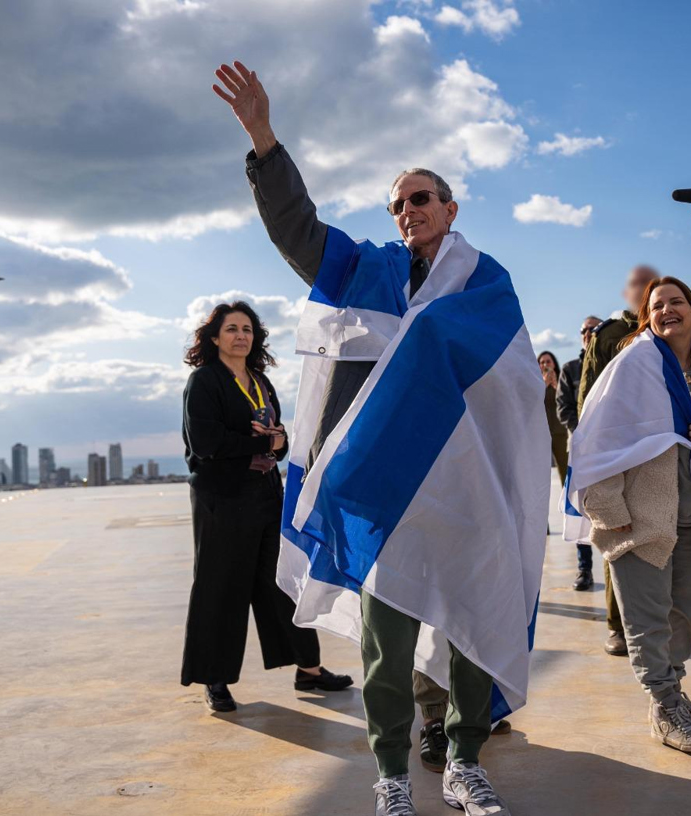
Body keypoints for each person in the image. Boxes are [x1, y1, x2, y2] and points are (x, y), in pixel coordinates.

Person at [214, 61, 546, 816]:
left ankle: (463, 760)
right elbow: (297, 228)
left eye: (421, 198)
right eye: (397, 203)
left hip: (466, 491)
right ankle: (392, 775)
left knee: (469, 628)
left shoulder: (484, 281)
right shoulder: (367, 270)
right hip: (383, 494)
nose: (408, 211)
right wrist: (265, 142)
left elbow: (512, 381)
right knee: (385, 649)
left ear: (451, 207)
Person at [567, 276, 691, 754]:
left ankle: (675, 691)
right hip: (641, 511)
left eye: (677, 302)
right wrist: (607, 509)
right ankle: (663, 705)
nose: (667, 310)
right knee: (647, 615)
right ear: (646, 318)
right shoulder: (633, 364)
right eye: (657, 306)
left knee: (683, 614)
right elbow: (598, 437)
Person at [180, 301, 352, 712]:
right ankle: (215, 679)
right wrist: (264, 442)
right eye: (231, 329)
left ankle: (308, 669)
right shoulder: (204, 382)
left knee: (284, 580)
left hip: (265, 495)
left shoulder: (260, 381)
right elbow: (205, 444)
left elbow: (281, 441)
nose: (241, 335)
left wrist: (276, 441)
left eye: (247, 329)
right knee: (221, 587)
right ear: (214, 337)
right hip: (221, 501)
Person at [575, 264, 657, 657]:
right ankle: (619, 626)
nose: (643, 291)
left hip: (659, 449)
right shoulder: (609, 335)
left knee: (661, 535)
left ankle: (658, 623)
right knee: (618, 538)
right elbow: (588, 395)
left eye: (650, 284)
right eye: (636, 285)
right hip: (616, 452)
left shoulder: (665, 328)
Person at [557, 316, 601, 590]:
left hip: (608, 450)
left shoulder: (610, 366)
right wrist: (584, 433)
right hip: (579, 449)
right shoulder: (570, 368)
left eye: (595, 330)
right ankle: (584, 570)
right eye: (585, 329)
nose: (589, 334)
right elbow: (563, 407)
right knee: (579, 509)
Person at [538, 351, 570, 489]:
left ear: (554, 363)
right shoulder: (535, 381)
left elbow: (566, 400)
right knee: (539, 469)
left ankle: (567, 499)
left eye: (548, 361)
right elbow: (532, 401)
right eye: (542, 362)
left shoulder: (562, 378)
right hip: (541, 432)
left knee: (564, 466)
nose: (545, 365)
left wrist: (556, 384)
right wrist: (543, 384)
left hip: (559, 431)